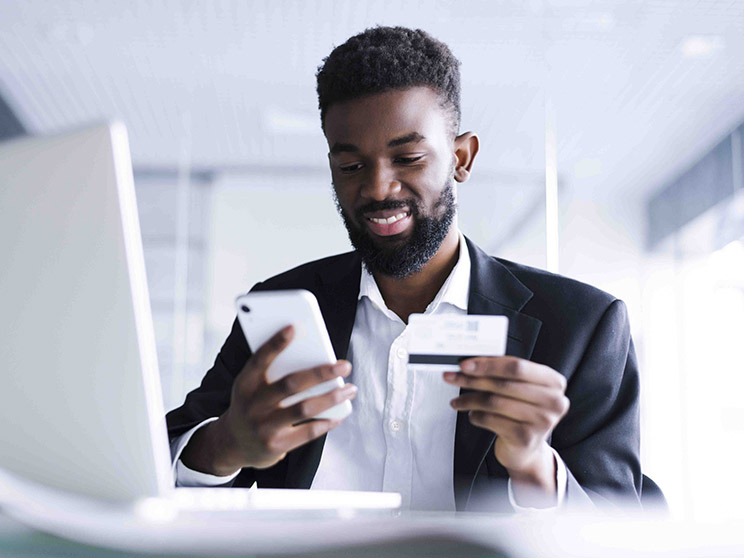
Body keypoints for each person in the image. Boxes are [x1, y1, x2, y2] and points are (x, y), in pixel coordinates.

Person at [166, 26, 641, 512]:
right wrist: (226, 444)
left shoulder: (582, 325)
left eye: (407, 158)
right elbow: (153, 466)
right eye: (350, 167)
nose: (377, 188)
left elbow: (621, 533)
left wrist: (533, 464)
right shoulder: (281, 310)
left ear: (461, 157)